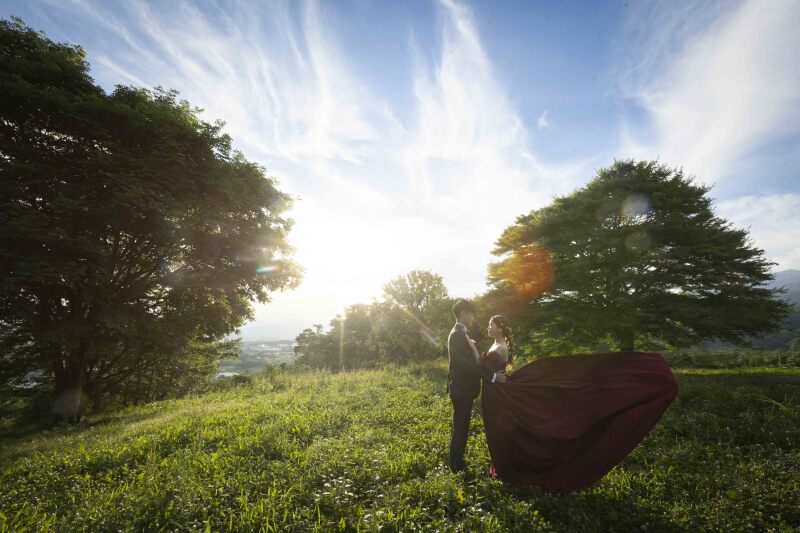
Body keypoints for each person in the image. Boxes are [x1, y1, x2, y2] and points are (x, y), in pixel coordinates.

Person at [471, 314, 678, 493]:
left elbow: (489, 370)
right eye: (489, 324)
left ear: (500, 327)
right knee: (500, 428)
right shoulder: (496, 344)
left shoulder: (501, 347)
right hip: (495, 391)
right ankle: (506, 462)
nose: (488, 327)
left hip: (499, 390)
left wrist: (483, 366)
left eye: (492, 324)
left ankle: (515, 464)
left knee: (511, 428)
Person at [447, 299, 506, 477]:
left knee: (462, 426)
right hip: (461, 389)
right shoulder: (457, 335)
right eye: (471, 314)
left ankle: (458, 462)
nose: (473, 318)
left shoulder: (462, 332)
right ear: (464, 314)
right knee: (460, 428)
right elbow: (467, 364)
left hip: (464, 389)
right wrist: (492, 376)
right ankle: (457, 466)